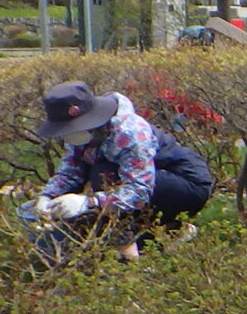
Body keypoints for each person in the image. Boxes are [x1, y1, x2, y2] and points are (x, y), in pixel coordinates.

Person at [28, 80, 214, 255]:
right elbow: (71, 170)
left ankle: (129, 255)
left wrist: (88, 202)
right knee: (98, 176)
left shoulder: (130, 133)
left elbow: (139, 189)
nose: (66, 137)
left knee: (104, 176)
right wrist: (47, 196)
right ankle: (166, 232)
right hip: (141, 182)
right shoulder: (81, 136)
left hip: (183, 183)